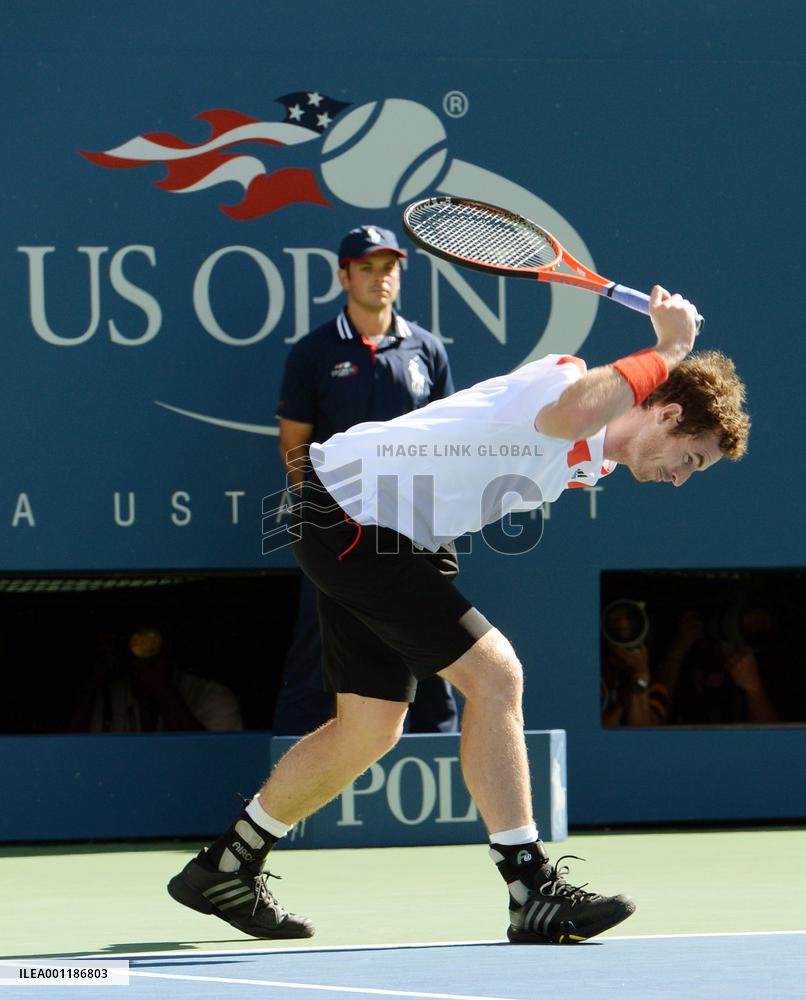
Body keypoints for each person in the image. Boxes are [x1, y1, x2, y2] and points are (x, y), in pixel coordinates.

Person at [168, 285, 750, 943]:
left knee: (369, 728)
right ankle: (530, 888)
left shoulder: (596, 463)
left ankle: (225, 865)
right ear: (667, 413)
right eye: (690, 459)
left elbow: (573, 438)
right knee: (497, 676)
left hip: (394, 529)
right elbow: (572, 414)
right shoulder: (564, 383)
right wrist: (670, 346)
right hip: (356, 515)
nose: (681, 477)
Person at [273, 224, 459, 736]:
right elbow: (293, 442)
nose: (380, 278)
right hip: (339, 534)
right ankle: (291, 774)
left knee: (436, 648)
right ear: (344, 277)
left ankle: (442, 761)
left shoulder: (427, 350)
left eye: (389, 268)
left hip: (414, 529)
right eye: (367, 268)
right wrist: (328, 516)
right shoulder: (313, 352)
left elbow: (448, 439)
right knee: (316, 653)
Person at [68, 624, 243, 733]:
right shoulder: (108, 698)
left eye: (152, 641)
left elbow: (217, 762)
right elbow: (71, 754)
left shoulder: (213, 696)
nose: (144, 648)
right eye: (137, 641)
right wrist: (94, 679)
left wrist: (162, 691)